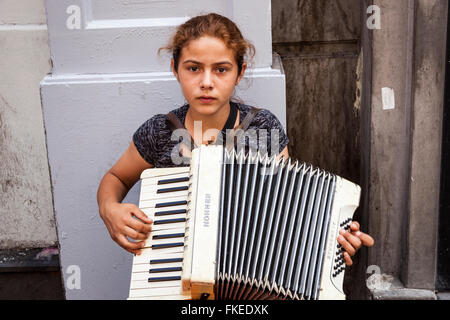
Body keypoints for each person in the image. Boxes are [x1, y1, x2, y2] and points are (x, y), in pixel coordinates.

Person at [97, 13, 373, 269]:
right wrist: (110, 208)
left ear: (239, 73)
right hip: (173, 276)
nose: (206, 82)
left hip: (255, 278)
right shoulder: (159, 131)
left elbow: (289, 206)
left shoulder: (264, 127)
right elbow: (116, 178)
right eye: (193, 68)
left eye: (221, 70)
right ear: (175, 69)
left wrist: (330, 236)